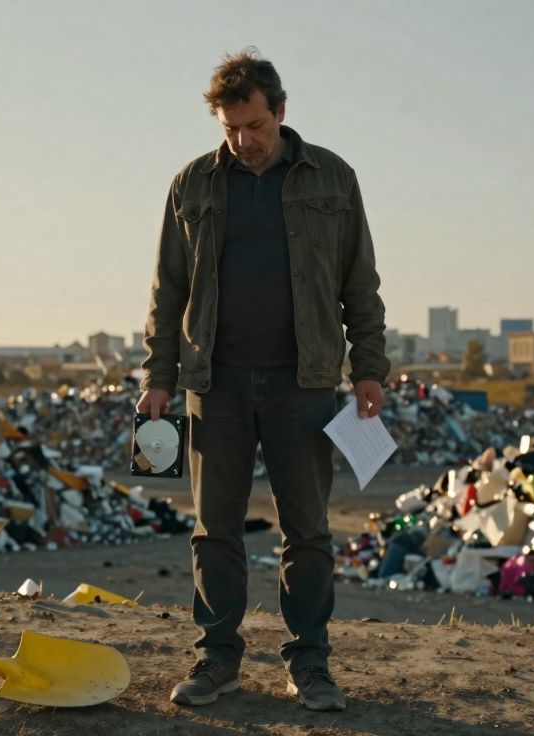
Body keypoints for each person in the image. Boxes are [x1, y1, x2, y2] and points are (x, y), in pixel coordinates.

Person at [137, 48, 390, 712]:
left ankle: (310, 665)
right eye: (231, 129)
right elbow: (168, 291)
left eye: (254, 125)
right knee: (214, 529)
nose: (244, 141)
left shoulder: (332, 179)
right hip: (212, 383)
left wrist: (368, 369)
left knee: (305, 530)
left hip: (302, 384)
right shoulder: (192, 184)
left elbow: (359, 284)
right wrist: (157, 378)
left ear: (280, 110)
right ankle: (215, 660)